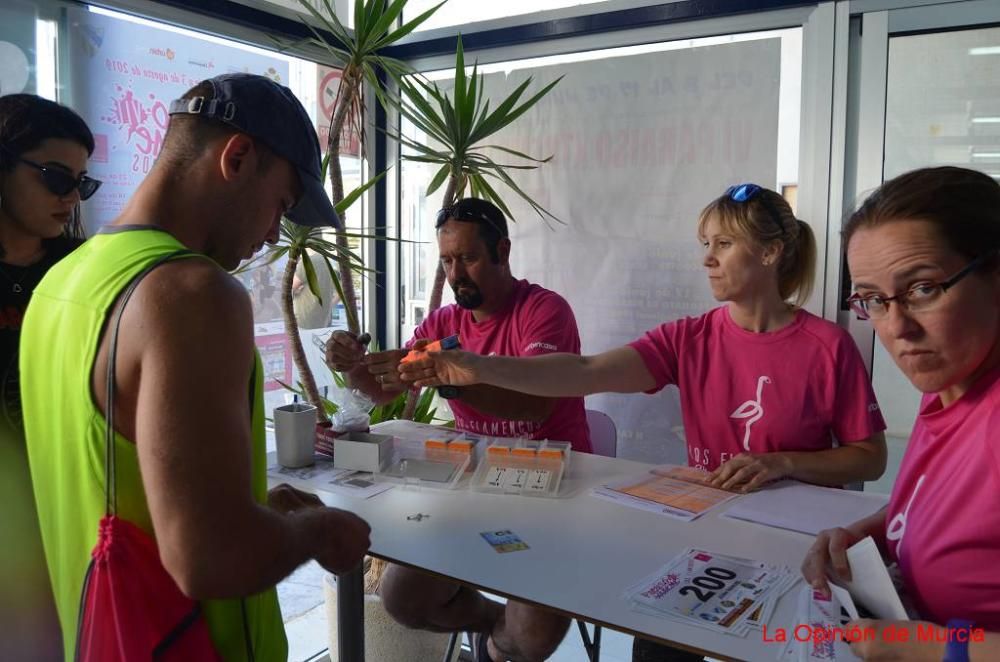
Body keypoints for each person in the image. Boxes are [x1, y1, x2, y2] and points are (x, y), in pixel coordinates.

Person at [397, 184, 888, 661]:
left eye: (723, 244)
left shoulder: (828, 347)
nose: (707, 259)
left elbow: (870, 456)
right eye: (705, 245)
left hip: (796, 548)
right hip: (708, 535)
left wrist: (781, 462)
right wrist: (480, 366)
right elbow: (584, 371)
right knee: (657, 644)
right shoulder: (688, 338)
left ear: (770, 252)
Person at [20, 74, 370, 661]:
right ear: (237, 157)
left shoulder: (62, 283)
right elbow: (208, 559)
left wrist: (256, 509)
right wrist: (319, 531)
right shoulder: (193, 293)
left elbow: (116, 481)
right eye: (280, 206)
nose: (270, 236)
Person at [325, 196, 590, 662]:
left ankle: (498, 645)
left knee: (532, 637)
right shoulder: (442, 323)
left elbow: (536, 405)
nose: (455, 274)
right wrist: (350, 363)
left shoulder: (544, 312)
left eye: (468, 258)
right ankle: (492, 630)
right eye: (447, 260)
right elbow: (383, 388)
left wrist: (453, 381)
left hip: (553, 495)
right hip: (471, 493)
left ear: (502, 252)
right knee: (400, 599)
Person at [802, 166, 1000, 661]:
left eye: (923, 289)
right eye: (872, 299)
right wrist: (871, 533)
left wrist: (934, 650)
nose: (896, 328)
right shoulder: (952, 384)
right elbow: (964, 511)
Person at [0, 93, 98, 661]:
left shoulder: (80, 272)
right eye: (56, 176)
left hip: (66, 511)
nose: (69, 195)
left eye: (81, 183)